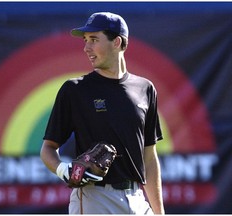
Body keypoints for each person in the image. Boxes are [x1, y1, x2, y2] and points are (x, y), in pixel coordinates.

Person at [40, 12, 165, 214]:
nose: (86, 48)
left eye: (94, 40)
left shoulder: (145, 89)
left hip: (136, 198)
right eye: (85, 40)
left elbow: (149, 157)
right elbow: (48, 149)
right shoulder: (75, 90)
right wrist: (64, 170)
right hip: (94, 198)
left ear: (116, 42)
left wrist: (159, 212)